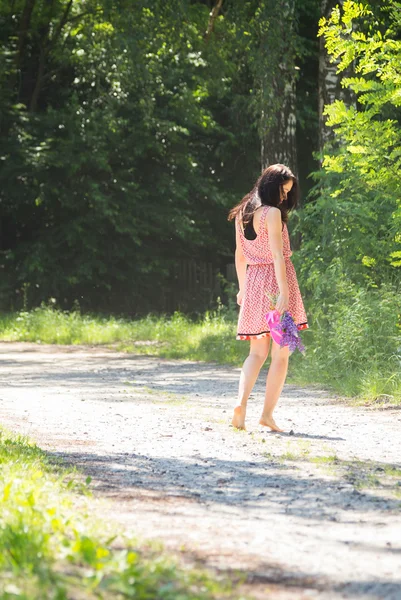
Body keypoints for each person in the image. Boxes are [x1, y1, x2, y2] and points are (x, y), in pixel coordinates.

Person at [227, 164, 308, 432]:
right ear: (271, 186)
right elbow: (277, 256)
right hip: (275, 284)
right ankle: (267, 415)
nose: (285, 197)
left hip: (253, 283)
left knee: (256, 353)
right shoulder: (271, 214)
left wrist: (242, 288)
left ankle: (240, 404)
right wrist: (284, 291)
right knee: (280, 355)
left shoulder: (242, 213)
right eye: (283, 191)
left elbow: (239, 255)